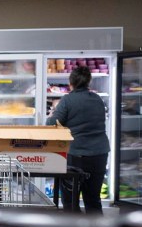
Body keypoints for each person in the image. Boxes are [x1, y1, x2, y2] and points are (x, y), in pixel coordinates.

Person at [47, 65, 110, 214]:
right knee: (93, 199)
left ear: (71, 83)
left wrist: (52, 114)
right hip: (99, 154)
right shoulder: (97, 99)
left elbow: (52, 124)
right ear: (89, 82)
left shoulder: (68, 100)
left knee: (70, 199)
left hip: (77, 154)